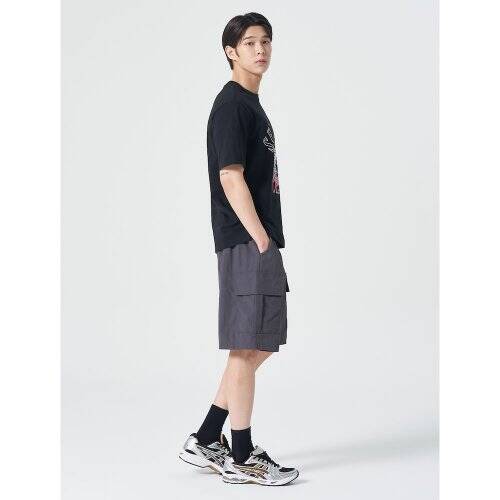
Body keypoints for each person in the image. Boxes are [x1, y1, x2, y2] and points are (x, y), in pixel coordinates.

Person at [178, 12, 298, 486]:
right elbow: (230, 176)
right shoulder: (232, 105)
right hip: (247, 239)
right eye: (249, 42)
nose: (260, 49)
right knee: (246, 346)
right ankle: (242, 455)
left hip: (256, 240)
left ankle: (209, 436)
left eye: (266, 41)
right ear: (231, 51)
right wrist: (260, 238)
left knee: (258, 342)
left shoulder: (251, 104)